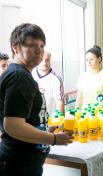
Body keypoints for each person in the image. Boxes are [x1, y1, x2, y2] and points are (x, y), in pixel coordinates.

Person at [0, 23, 73, 176]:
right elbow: (13, 126)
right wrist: (52, 138)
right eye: (32, 45)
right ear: (16, 47)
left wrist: (43, 130)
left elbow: (21, 122)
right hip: (18, 165)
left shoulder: (19, 73)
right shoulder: (19, 77)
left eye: (41, 45)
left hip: (20, 162)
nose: (39, 51)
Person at [32, 51, 64, 116]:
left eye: (47, 60)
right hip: (32, 119)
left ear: (50, 60)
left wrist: (59, 122)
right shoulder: (30, 74)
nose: (44, 63)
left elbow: (59, 102)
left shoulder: (56, 79)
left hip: (49, 119)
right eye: (41, 60)